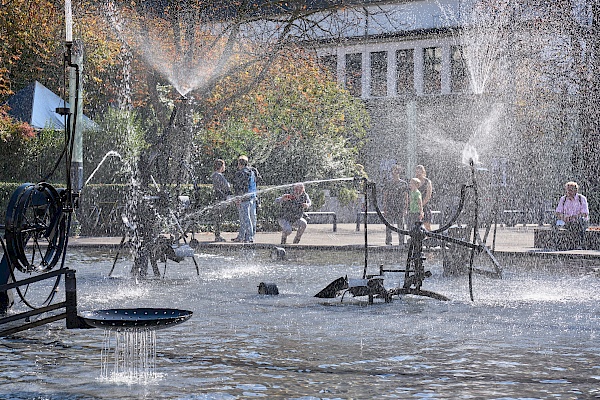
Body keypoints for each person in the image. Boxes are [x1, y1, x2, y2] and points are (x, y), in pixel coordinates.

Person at [555, 181, 590, 249]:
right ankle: (557, 243)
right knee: (555, 222)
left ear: (576, 190)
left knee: (578, 222)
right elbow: (558, 212)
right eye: (567, 190)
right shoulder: (563, 199)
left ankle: (579, 244)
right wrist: (563, 217)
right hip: (566, 220)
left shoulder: (581, 199)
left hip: (579, 221)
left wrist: (573, 217)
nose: (568, 192)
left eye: (570, 190)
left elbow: (585, 213)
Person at [232, 155, 257, 243]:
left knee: (245, 218)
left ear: (239, 163)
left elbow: (240, 187)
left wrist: (238, 198)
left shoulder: (241, 173)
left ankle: (249, 237)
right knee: (249, 218)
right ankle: (242, 236)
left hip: (244, 199)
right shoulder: (252, 171)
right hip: (252, 197)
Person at [382, 165, 408, 245]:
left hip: (400, 206)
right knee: (389, 224)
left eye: (397, 171)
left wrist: (405, 208)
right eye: (393, 171)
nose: (395, 173)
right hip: (390, 206)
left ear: (399, 172)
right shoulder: (388, 183)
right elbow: (385, 195)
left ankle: (401, 241)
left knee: (401, 225)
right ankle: (388, 241)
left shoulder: (403, 183)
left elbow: (406, 196)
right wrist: (385, 206)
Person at [210, 159, 231, 242]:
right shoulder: (218, 175)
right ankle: (218, 236)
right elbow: (226, 186)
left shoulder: (215, 175)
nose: (224, 167)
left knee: (218, 217)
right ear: (221, 166)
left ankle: (217, 235)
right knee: (219, 217)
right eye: (224, 165)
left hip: (218, 198)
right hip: (220, 198)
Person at [415, 165, 433, 230]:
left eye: (419, 172)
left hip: (425, 205)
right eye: (417, 172)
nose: (418, 174)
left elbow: (428, 195)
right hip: (415, 206)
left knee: (427, 224)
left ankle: (431, 239)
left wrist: (421, 205)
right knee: (416, 225)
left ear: (423, 172)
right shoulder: (415, 181)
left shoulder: (427, 182)